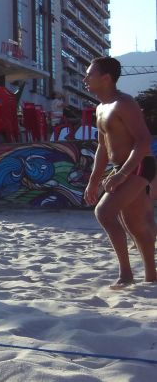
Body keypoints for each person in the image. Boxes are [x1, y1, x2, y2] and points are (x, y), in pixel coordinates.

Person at [82, 56, 156, 289]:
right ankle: (152, 276)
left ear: (106, 78)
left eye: (89, 74)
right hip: (121, 167)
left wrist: (123, 174)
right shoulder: (100, 108)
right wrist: (93, 182)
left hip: (139, 165)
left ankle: (126, 275)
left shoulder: (124, 103)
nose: (85, 78)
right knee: (136, 223)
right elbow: (103, 148)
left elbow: (143, 140)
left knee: (104, 212)